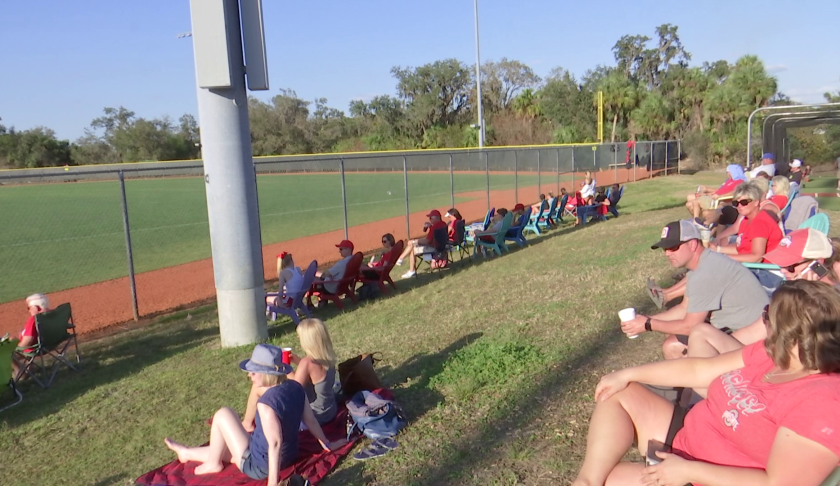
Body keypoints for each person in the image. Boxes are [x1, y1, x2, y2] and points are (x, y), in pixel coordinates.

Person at [573, 280, 840, 486]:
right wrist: (629, 373)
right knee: (621, 392)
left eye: (768, 314)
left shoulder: (823, 401)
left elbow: (780, 483)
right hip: (688, 439)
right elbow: (702, 369)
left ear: (791, 336)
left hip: (704, 475)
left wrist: (689, 470)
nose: (763, 319)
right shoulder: (774, 354)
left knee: (612, 479)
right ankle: (585, 482)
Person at [164, 344, 345, 485]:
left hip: (260, 465)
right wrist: (327, 444)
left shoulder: (267, 404)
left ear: (266, 374)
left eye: (253, 371)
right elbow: (311, 421)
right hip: (289, 454)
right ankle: (186, 452)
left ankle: (212, 463)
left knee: (222, 414)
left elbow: (275, 443)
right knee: (228, 452)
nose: (249, 375)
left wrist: (272, 482)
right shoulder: (296, 387)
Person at [688, 229, 840, 363]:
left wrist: (808, 304)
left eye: (790, 266)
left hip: (787, 370)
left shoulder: (829, 306)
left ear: (817, 264)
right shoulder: (790, 292)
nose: (784, 272)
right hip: (766, 359)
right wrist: (719, 346)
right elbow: (754, 332)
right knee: (702, 334)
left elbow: (811, 357)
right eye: (781, 266)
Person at [623, 220, 768, 359]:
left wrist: (648, 325)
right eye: (665, 249)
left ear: (692, 244)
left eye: (673, 247)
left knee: (674, 346)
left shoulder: (707, 272)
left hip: (754, 341)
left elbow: (690, 326)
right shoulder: (703, 264)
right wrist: (642, 321)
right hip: (741, 330)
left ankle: (700, 382)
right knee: (672, 338)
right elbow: (683, 308)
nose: (667, 253)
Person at [709, 182, 783, 263]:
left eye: (744, 202)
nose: (739, 206)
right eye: (736, 203)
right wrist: (717, 249)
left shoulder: (760, 222)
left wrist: (725, 258)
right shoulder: (746, 220)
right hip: (752, 266)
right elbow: (741, 249)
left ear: (756, 202)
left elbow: (757, 257)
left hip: (765, 269)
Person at [398, 209, 447, 278]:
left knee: (412, 248)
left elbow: (427, 241)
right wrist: (430, 227)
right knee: (413, 245)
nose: (429, 219)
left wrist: (414, 241)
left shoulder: (434, 227)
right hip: (442, 246)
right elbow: (435, 236)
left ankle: (411, 270)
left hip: (434, 248)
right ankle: (401, 259)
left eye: (431, 218)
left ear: (437, 218)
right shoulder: (443, 224)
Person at [11, 293, 50, 379]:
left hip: (38, 348)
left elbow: (26, 342)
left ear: (36, 308)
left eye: (29, 308)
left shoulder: (34, 320)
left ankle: (20, 371)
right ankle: (30, 366)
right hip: (52, 343)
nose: (29, 310)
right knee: (22, 332)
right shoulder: (54, 314)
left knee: (6, 350)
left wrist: (14, 346)